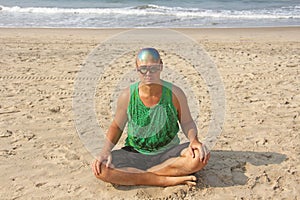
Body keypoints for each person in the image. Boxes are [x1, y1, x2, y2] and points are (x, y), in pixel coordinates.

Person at [92, 47, 210, 187]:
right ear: (137, 68)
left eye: (153, 68)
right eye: (143, 69)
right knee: (101, 169)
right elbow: (117, 127)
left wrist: (194, 140)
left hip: (168, 153)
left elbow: (187, 122)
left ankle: (143, 175)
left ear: (161, 66)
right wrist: (105, 151)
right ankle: (163, 180)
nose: (148, 73)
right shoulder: (127, 96)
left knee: (199, 157)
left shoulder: (175, 94)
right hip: (135, 153)